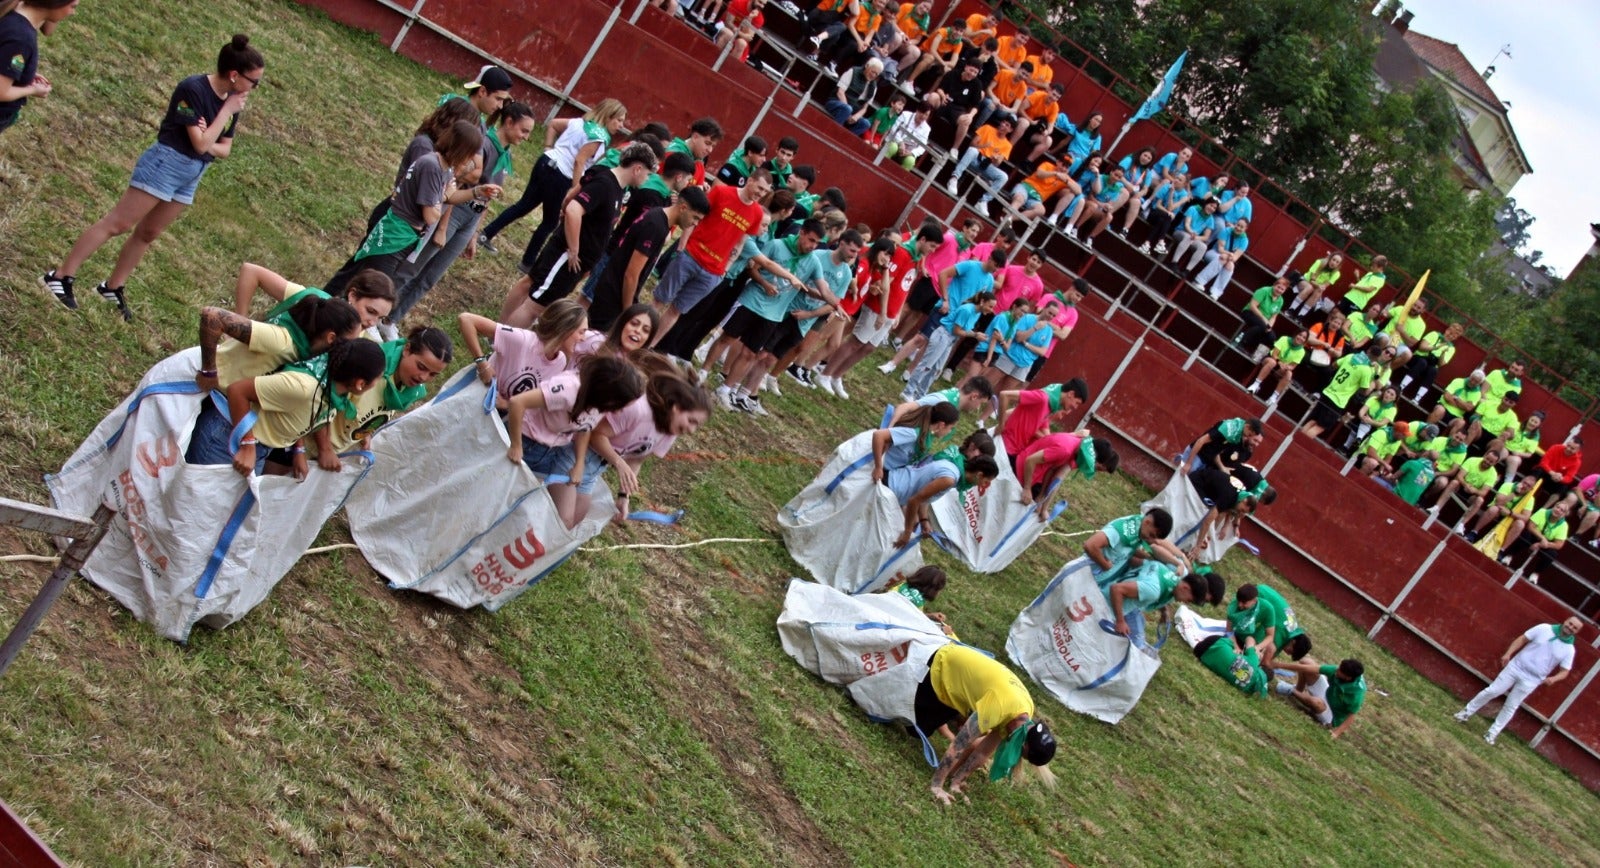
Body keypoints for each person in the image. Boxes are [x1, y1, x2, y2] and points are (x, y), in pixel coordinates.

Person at [43, 34, 265, 319]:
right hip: (167, 163)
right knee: (119, 223)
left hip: (193, 173)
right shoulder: (194, 90)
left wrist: (209, 134)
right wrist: (221, 119)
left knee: (148, 233)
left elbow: (225, 148)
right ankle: (60, 277)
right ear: (234, 75)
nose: (253, 88)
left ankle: (112, 287)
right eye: (253, 82)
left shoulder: (231, 103)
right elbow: (200, 144)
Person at [390, 98, 538, 322]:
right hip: (455, 211)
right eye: (524, 130)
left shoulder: (506, 155)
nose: (526, 137)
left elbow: (488, 196)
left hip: (471, 217)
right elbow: (455, 182)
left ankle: (393, 319)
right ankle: (383, 310)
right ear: (508, 122)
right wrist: (443, 226)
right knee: (414, 266)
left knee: (431, 276)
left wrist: (475, 233)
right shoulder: (483, 145)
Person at [502, 142, 659, 328]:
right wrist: (574, 249)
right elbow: (573, 209)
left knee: (533, 290)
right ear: (638, 168)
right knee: (536, 305)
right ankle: (501, 343)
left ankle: (498, 331)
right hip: (567, 257)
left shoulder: (618, 188)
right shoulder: (605, 184)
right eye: (648, 174)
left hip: (575, 261)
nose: (648, 179)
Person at [550, 354, 711, 528]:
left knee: (574, 521)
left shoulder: (670, 431)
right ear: (676, 408)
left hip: (594, 469)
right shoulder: (639, 410)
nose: (692, 430)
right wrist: (618, 462)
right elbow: (595, 434)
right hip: (575, 456)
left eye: (698, 425)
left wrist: (623, 496)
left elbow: (636, 459)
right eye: (691, 421)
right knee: (562, 520)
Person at [189, 338, 386, 478]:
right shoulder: (303, 387)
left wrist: (298, 449)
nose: (376, 385)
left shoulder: (335, 392)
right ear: (360, 383)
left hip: (259, 447)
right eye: (377, 380)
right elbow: (237, 391)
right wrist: (247, 445)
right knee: (196, 507)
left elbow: (306, 417)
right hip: (226, 439)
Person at [329, 120, 485, 292]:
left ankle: (327, 307)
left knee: (356, 280)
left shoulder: (444, 169)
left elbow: (450, 197)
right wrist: (445, 195)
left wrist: (477, 192)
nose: (472, 161)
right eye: (471, 154)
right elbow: (431, 216)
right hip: (394, 235)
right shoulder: (432, 166)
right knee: (369, 289)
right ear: (461, 149)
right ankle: (320, 308)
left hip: (406, 237)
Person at [478, 97, 627, 256]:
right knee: (550, 221)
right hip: (561, 175)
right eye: (619, 120)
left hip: (546, 161)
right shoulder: (600, 137)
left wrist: (548, 147)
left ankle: (486, 233)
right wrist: (576, 189)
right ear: (608, 116)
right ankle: (528, 260)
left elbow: (554, 124)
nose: (621, 126)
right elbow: (579, 161)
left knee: (523, 205)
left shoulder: (580, 122)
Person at [918, 643, 1056, 805]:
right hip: (941, 665)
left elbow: (982, 752)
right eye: (1021, 753)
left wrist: (956, 782)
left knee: (925, 725)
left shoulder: (1022, 716)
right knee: (917, 728)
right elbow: (959, 745)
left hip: (957, 688)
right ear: (1023, 745)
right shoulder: (1000, 707)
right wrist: (937, 786)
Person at [651, 168, 774, 344]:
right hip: (691, 256)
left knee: (676, 310)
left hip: (713, 272)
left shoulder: (756, 214)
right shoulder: (722, 192)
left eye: (765, 191)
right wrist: (682, 247)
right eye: (759, 188)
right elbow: (696, 217)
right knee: (659, 300)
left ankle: (649, 346)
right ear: (750, 180)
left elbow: (740, 242)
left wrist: (726, 269)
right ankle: (639, 337)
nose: (760, 194)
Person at [315, 326, 452, 463]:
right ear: (407, 349)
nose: (423, 377)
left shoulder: (409, 389)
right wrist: (321, 449)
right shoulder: (369, 366)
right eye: (421, 367)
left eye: (433, 374)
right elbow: (318, 402)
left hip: (335, 451)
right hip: (310, 445)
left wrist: (363, 432)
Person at [587, 186, 710, 333]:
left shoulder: (659, 218)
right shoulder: (656, 226)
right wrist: (628, 313)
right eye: (695, 217)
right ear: (683, 208)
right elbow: (631, 275)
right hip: (614, 295)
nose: (695, 224)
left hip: (616, 291)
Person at [504, 354, 645, 475]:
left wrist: (579, 464)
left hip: (549, 452)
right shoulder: (569, 389)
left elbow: (585, 427)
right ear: (607, 393)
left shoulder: (600, 405)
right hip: (525, 440)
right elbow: (517, 402)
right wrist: (516, 445)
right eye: (619, 405)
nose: (618, 411)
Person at [1454, 617, 1582, 745]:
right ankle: (1465, 713)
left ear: (1576, 632)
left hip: (1533, 679)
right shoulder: (1544, 628)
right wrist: (1508, 654)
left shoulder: (1569, 650)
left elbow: (1565, 671)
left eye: (1575, 628)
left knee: (1511, 705)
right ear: (1565, 621)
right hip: (1516, 666)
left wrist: (1554, 679)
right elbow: (1523, 639)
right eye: (1570, 624)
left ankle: (1492, 733)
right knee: (1493, 691)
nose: (1570, 627)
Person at [458, 299, 590, 413]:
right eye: (581, 332)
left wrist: (507, 405)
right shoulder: (523, 340)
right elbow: (466, 319)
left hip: (495, 419)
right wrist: (482, 363)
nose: (584, 339)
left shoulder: (560, 362)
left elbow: (533, 402)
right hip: (471, 400)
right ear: (565, 328)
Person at [0, 0, 77, 134]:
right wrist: (32, 90)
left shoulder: (14, 13)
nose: (73, 12)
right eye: (72, 7)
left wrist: (22, 73)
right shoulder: (21, 39)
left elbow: (6, 62)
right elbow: (1, 92)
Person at [1106, 561, 1216, 648]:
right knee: (1136, 645)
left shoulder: (1170, 576)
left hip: (1116, 595)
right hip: (1107, 605)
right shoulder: (1153, 590)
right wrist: (1120, 621)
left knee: (1140, 624)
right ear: (1185, 588)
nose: (1186, 602)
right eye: (1189, 600)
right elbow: (1116, 589)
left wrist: (1164, 610)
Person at [1016, 431, 1118, 520]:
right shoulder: (1066, 450)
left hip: (1035, 475)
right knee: (1026, 511)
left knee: (1034, 509)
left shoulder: (1078, 450)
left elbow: (1052, 471)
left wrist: (1042, 497)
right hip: (1020, 473)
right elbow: (1031, 460)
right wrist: (1027, 488)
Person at [1301, 344, 1393, 440]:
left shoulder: (1351, 356)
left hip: (1328, 391)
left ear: (1368, 350)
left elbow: (1334, 365)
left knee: (1313, 420)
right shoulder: (1366, 370)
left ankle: (1296, 440)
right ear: (1376, 358)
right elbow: (1365, 392)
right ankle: (1301, 443)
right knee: (1320, 426)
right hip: (1338, 401)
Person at [996, 379, 1089, 462]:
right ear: (1071, 394)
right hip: (1004, 445)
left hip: (1016, 449)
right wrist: (1001, 424)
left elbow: (1047, 438)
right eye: (1077, 403)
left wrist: (1072, 436)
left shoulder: (1052, 405)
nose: (1075, 407)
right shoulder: (1042, 398)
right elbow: (1005, 395)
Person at [1083, 509, 1176, 588]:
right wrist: (1105, 565)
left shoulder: (1139, 528)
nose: (1150, 540)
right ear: (1147, 522)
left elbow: (1128, 549)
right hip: (1085, 574)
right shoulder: (1121, 531)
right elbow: (1090, 545)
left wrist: (1149, 557)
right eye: (1151, 535)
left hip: (1096, 579)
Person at [1277, 657, 1366, 739]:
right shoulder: (1338, 671)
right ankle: (1298, 689)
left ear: (1348, 678)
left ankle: (1291, 690)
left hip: (1332, 716)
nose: (1337, 670)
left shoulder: (1356, 694)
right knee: (1306, 662)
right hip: (1328, 694)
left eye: (1340, 671)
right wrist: (1278, 665)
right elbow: (1305, 668)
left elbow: (1351, 716)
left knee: (1316, 702)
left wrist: (1336, 733)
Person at [1498, 500, 1571, 584]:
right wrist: (1542, 538)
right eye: (1557, 507)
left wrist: (1541, 544)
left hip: (1545, 544)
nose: (1558, 510)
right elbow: (1530, 526)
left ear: (1564, 515)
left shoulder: (1564, 525)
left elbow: (1559, 544)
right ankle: (1509, 556)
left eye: (1562, 510)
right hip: (1534, 535)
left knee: (1552, 554)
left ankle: (1536, 574)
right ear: (1554, 507)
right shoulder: (1542, 512)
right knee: (1525, 535)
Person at [1245, 328, 1307, 410]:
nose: (1301, 338)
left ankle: (1273, 397)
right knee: (1272, 362)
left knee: (1289, 374)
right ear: (1296, 334)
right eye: (1300, 335)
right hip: (1272, 360)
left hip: (1282, 369)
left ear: (1305, 340)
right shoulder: (1284, 339)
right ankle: (1256, 385)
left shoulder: (1302, 351)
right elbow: (1274, 354)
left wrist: (1286, 367)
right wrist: (1280, 362)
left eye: (1304, 337)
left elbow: (1292, 366)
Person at [1192, 634, 1268, 697]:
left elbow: (1250, 639)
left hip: (1216, 643)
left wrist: (1257, 650)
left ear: (1260, 668)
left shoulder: (1254, 662)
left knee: (1233, 640)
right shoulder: (1243, 688)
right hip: (1202, 654)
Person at [824, 57, 883, 136]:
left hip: (853, 113)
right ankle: (832, 133)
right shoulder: (853, 71)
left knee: (866, 123)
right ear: (867, 66)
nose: (873, 75)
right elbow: (840, 92)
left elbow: (865, 107)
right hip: (836, 103)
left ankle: (844, 139)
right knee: (847, 108)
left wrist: (856, 116)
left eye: (876, 74)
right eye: (873, 72)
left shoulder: (874, 87)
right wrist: (849, 112)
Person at [1184, 417, 1264, 474]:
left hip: (1205, 461)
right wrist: (1188, 463)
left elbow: (1217, 449)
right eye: (1249, 434)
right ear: (1247, 427)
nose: (1248, 437)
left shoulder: (1237, 433)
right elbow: (1201, 441)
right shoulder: (1228, 429)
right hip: (1197, 457)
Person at [1195, 218, 1250, 300]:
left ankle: (1216, 292)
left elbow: (1235, 257)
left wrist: (1228, 256)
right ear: (1235, 224)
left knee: (1231, 266)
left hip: (1227, 259)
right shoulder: (1226, 231)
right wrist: (1229, 254)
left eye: (1241, 227)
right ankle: (1199, 281)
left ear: (1245, 229)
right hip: (1214, 253)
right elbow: (1220, 249)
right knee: (1221, 258)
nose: (1238, 228)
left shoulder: (1245, 240)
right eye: (1238, 225)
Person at [1287, 252, 1344, 318]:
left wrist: (1320, 287)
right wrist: (1319, 286)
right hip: (1305, 281)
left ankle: (1300, 316)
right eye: (1333, 259)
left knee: (1318, 292)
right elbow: (1312, 280)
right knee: (1310, 288)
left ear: (1339, 265)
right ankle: (1290, 310)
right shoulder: (1320, 262)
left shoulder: (1336, 274)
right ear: (1330, 258)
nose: (1334, 263)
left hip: (1316, 288)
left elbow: (1325, 285)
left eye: (1337, 262)